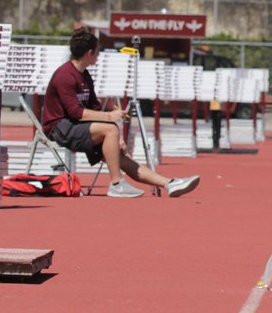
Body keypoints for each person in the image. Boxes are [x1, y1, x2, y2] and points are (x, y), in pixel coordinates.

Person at [41, 27, 200, 198]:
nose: (99, 55)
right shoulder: (65, 75)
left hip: (77, 125)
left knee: (119, 154)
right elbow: (75, 112)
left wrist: (117, 137)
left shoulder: (85, 75)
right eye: (98, 51)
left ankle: (169, 183)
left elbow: (94, 107)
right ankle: (116, 184)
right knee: (110, 130)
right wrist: (110, 118)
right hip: (59, 127)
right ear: (90, 52)